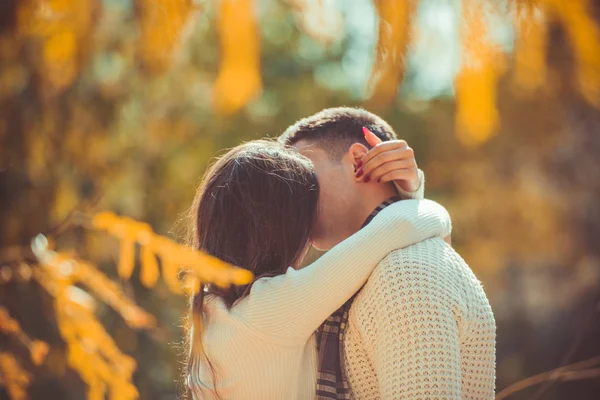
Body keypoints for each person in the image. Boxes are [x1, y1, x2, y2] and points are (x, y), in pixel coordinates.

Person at [184, 139, 452, 399]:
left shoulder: (211, 311)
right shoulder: (272, 306)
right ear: (284, 229)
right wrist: (410, 190)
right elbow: (404, 224)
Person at [279, 107, 496, 399]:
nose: (293, 194)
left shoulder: (406, 273)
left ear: (358, 162)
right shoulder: (367, 272)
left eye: (303, 172)